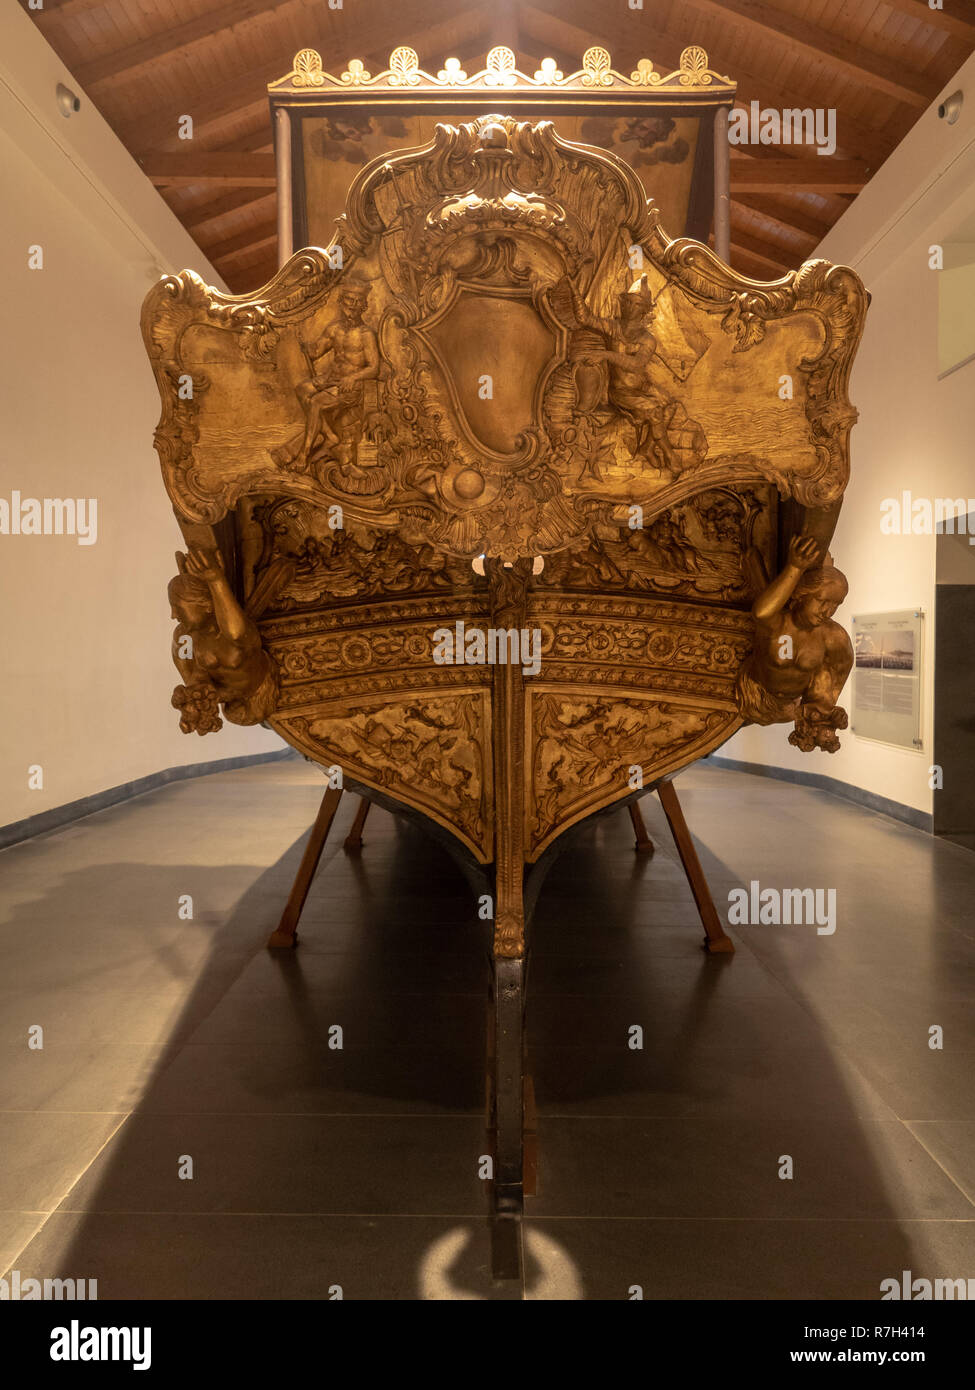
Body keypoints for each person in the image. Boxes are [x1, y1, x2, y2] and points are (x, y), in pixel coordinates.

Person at [736, 533, 853, 752]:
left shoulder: (833, 637)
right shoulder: (779, 623)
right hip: (753, 694)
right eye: (822, 601)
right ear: (803, 594)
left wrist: (825, 712)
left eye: (836, 604)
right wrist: (795, 567)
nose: (827, 611)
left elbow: (827, 685)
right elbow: (761, 613)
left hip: (791, 706)